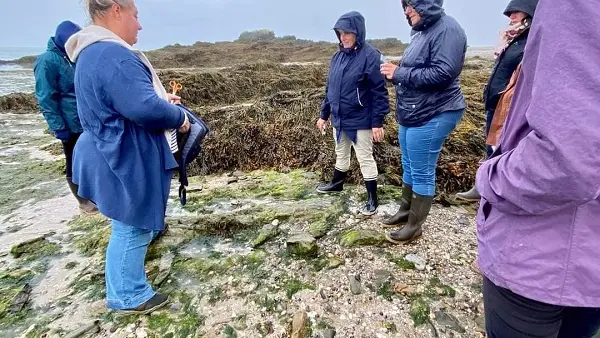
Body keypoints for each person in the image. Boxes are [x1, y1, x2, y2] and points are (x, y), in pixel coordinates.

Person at [475, 0, 600, 336]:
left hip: (539, 255)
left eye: (516, 14)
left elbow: (566, 159)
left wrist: (489, 175)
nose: (511, 19)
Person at [65, 0, 190, 314]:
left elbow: (128, 100)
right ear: (116, 9)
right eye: (136, 15)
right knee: (131, 223)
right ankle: (127, 295)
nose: (139, 25)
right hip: (122, 152)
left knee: (130, 220)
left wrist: (160, 99)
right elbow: (143, 108)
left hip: (104, 147)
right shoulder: (112, 54)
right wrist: (177, 115)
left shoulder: (89, 52)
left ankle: (125, 284)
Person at [379, 0, 467, 243]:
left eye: (410, 5)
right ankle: (406, 212)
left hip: (436, 110)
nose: (406, 11)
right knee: (409, 163)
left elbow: (443, 72)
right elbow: (414, 69)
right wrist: (393, 73)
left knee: (421, 169)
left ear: (425, 4)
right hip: (415, 110)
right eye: (404, 6)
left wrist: (399, 73)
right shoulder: (422, 32)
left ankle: (414, 226)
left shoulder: (447, 29)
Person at [456, 0, 538, 202]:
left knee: (505, 151)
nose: (510, 17)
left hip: (511, 107)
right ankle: (482, 186)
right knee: (490, 147)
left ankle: (500, 193)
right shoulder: (514, 39)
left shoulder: (534, 40)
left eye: (515, 12)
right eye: (509, 13)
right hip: (495, 102)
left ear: (529, 13)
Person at [317, 11, 390, 216]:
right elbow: (330, 89)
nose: (343, 37)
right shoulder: (337, 57)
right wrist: (324, 115)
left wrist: (377, 122)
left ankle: (372, 199)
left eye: (347, 32)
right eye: (340, 33)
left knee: (365, 158)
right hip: (339, 119)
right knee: (341, 152)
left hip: (361, 120)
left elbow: (379, 92)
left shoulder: (371, 56)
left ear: (358, 32)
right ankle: (337, 184)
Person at [33, 21, 98, 214]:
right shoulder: (47, 61)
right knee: (73, 160)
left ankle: (94, 195)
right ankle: (83, 202)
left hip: (86, 120)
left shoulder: (74, 57)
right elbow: (45, 97)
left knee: (90, 159)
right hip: (69, 123)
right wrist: (58, 126)